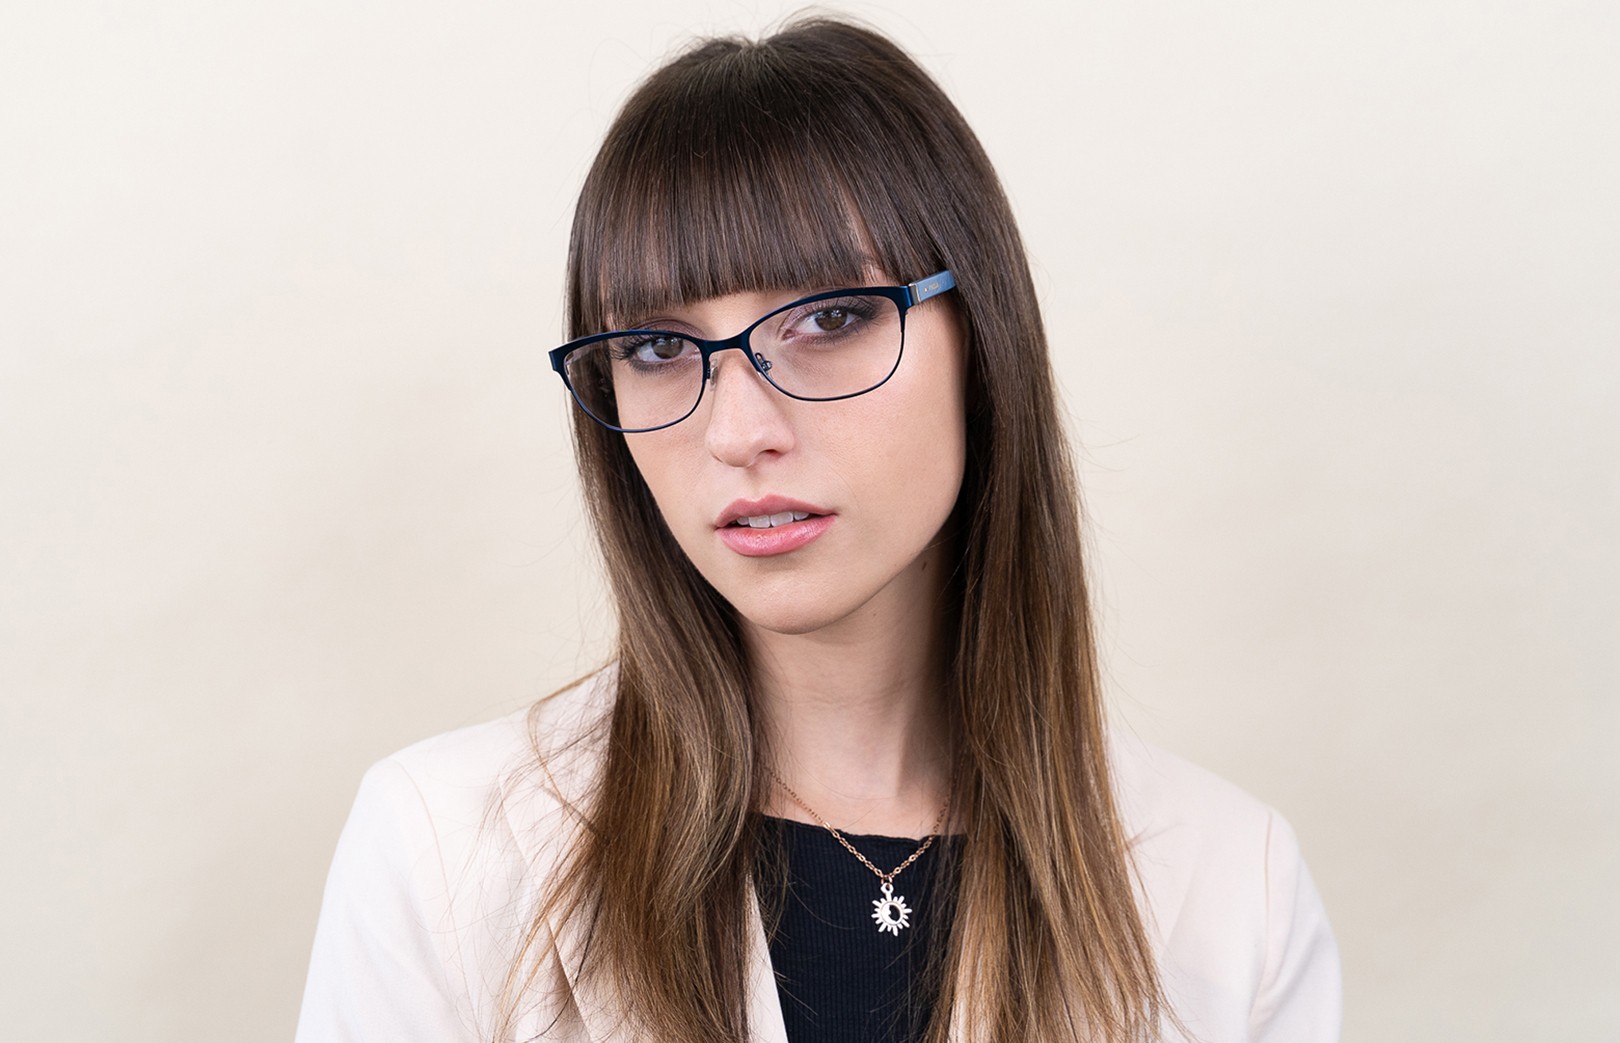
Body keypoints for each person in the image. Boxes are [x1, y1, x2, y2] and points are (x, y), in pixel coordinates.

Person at [295, 18, 1340, 1043]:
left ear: (981, 340)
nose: (737, 432)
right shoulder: (446, 853)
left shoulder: (1231, 890)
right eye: (658, 346)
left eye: (830, 318)